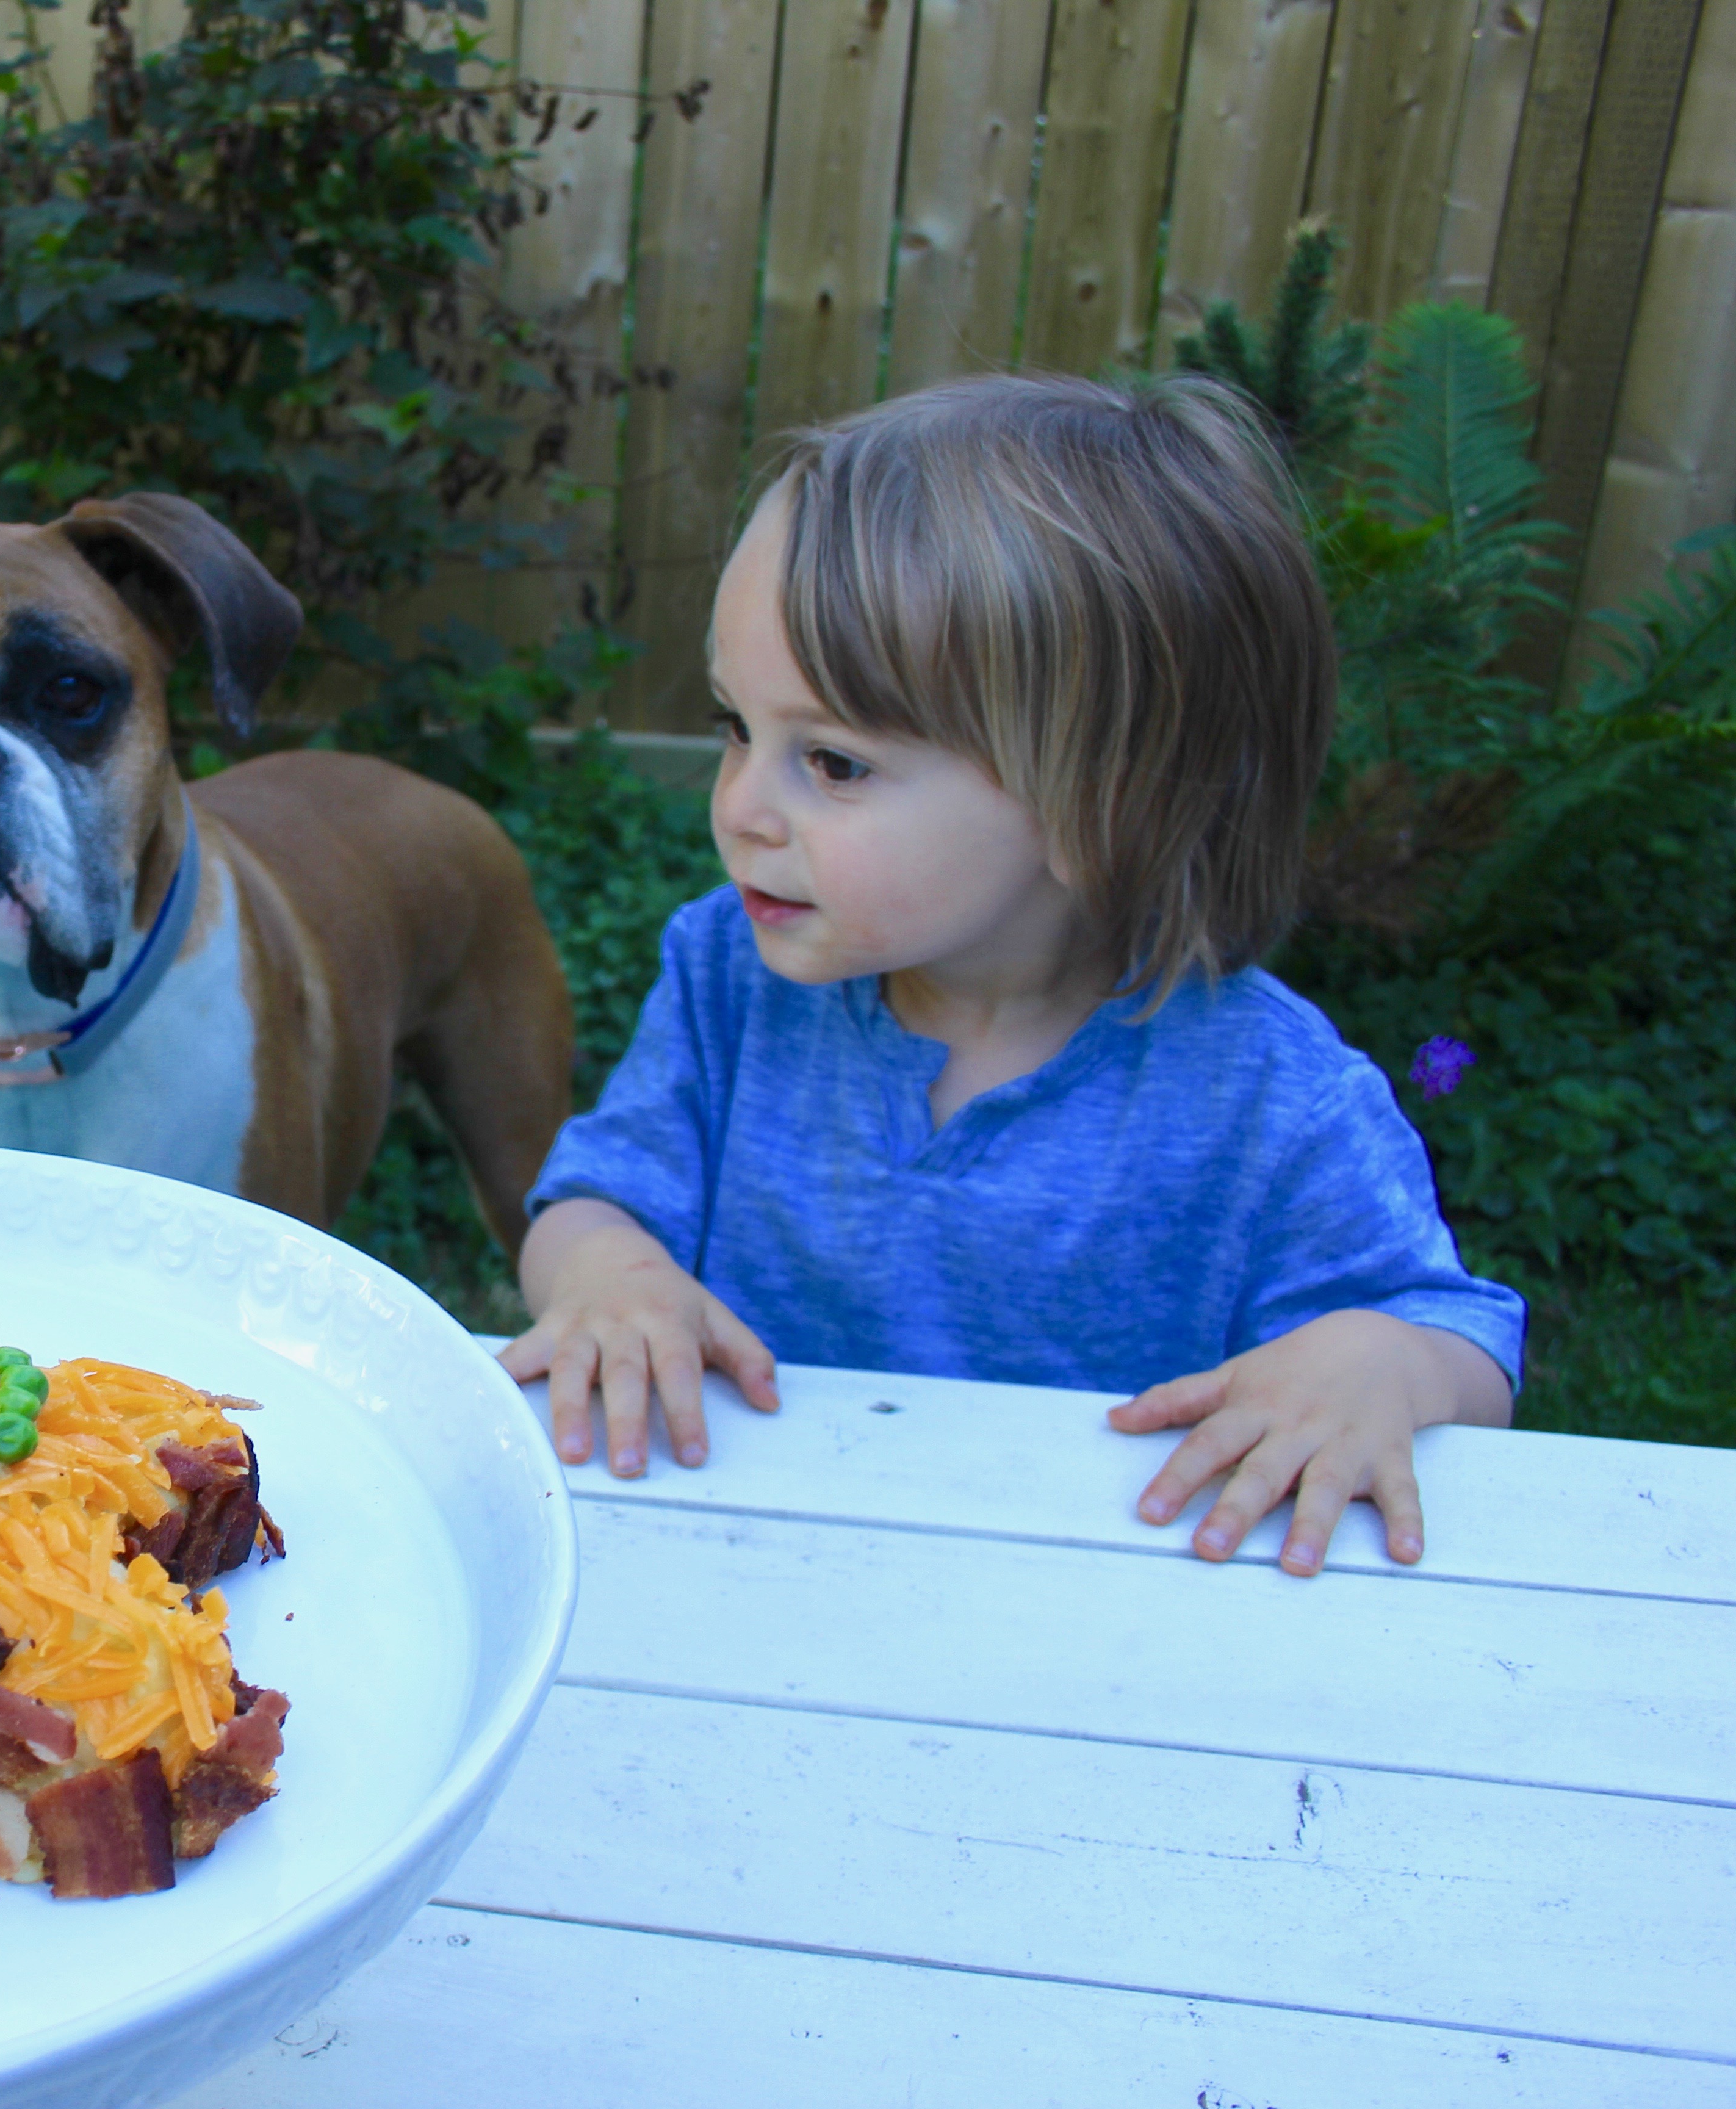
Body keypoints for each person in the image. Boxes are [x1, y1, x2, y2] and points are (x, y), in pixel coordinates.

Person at [502, 372, 1524, 1578]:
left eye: (830, 762)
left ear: (1101, 800)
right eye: (737, 727)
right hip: (752, 1561)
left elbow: (1455, 1332)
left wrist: (1378, 1365)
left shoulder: (1265, 1095)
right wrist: (612, 1279)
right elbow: (591, 1199)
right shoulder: (733, 978)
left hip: (1094, 1609)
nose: (742, 808)